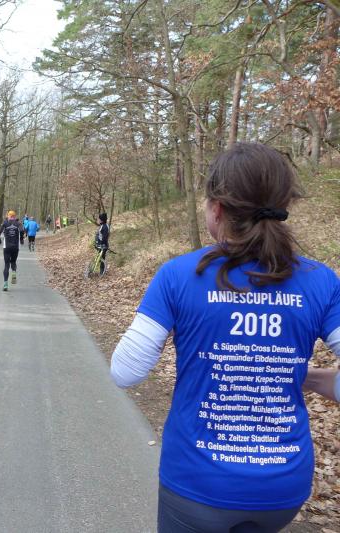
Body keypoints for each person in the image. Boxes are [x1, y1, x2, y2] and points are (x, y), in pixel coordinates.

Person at [110, 143, 340, 532]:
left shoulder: (178, 275)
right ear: (284, 204)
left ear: (216, 209)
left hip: (196, 485)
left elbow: (125, 372)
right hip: (282, 488)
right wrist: (302, 375)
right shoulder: (321, 281)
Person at [0, 210, 24, 292]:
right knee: (13, 262)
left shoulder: (5, 223)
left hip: (7, 247)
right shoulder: (18, 223)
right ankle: (14, 272)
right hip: (15, 247)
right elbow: (22, 231)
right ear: (15, 216)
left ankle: (5, 284)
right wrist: (21, 239)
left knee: (6, 265)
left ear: (8, 216)